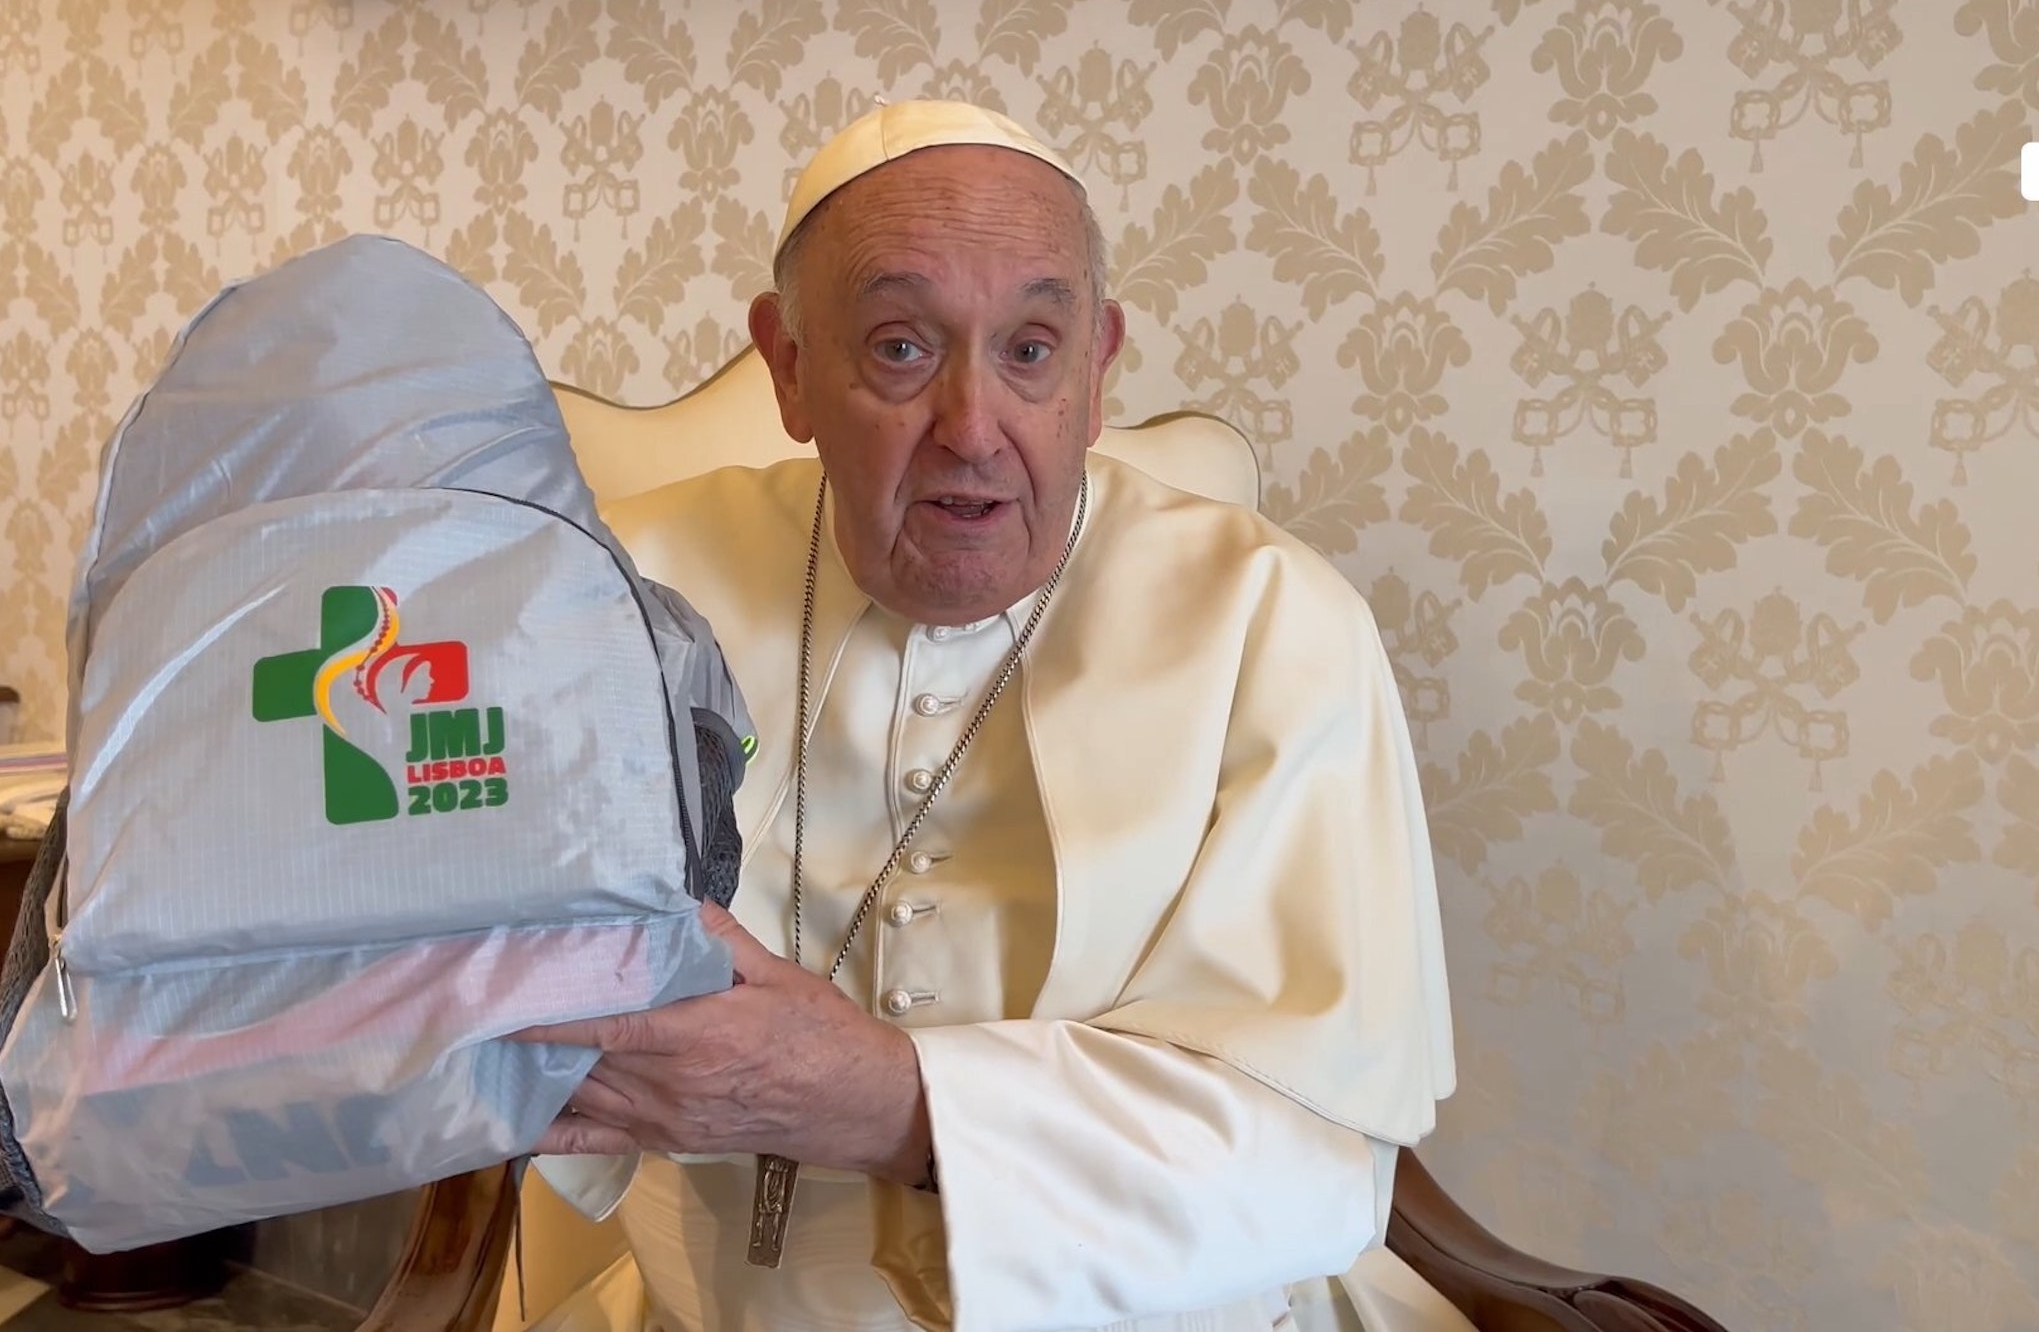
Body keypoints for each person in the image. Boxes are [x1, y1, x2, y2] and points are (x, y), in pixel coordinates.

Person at [518, 100, 1459, 1332]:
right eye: (902, 348)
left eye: (1030, 350)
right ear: (790, 367)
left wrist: (887, 1104)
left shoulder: (1273, 624)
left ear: (1097, 370)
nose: (972, 429)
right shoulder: (614, 596)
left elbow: (1316, 1157)